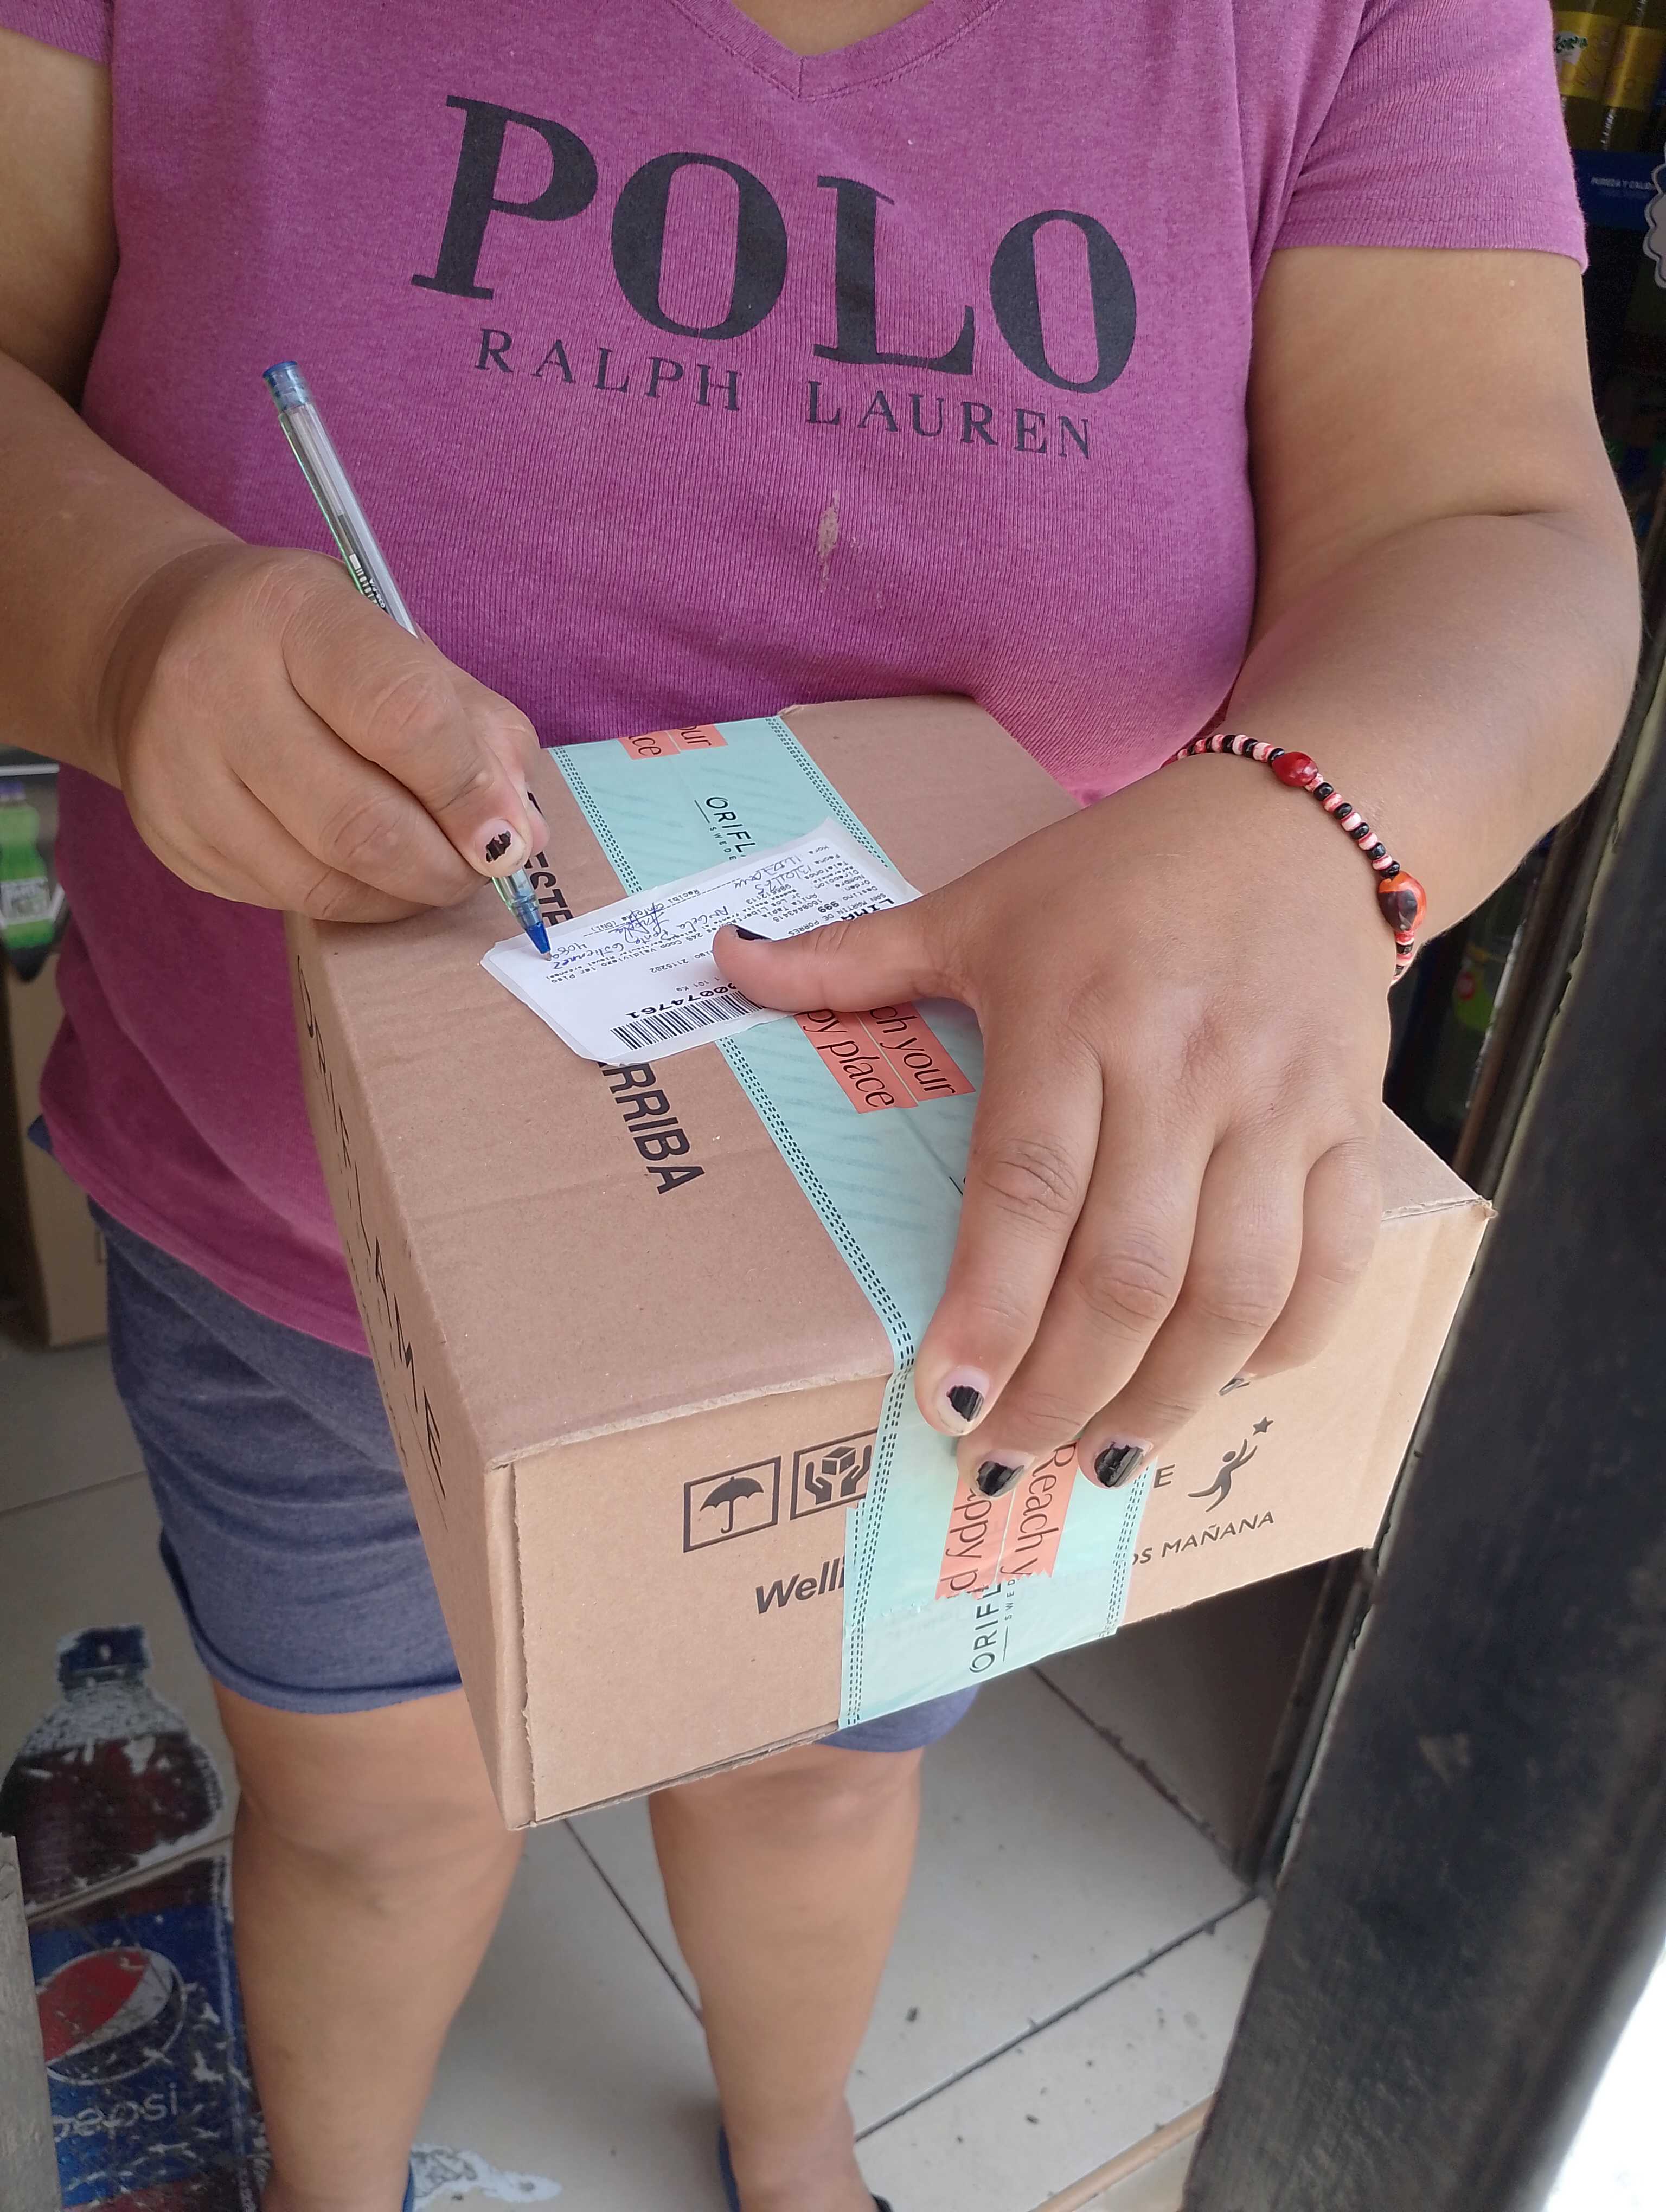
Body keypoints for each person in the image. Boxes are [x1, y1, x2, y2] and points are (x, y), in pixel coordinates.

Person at [0, 0, 1637, 2206]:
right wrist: (130, 626)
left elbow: (1501, 516)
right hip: (299, 1256)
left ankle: (799, 2156)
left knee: (818, 1783)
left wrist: (1311, 830)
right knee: (370, 1818)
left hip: (926, 1276)